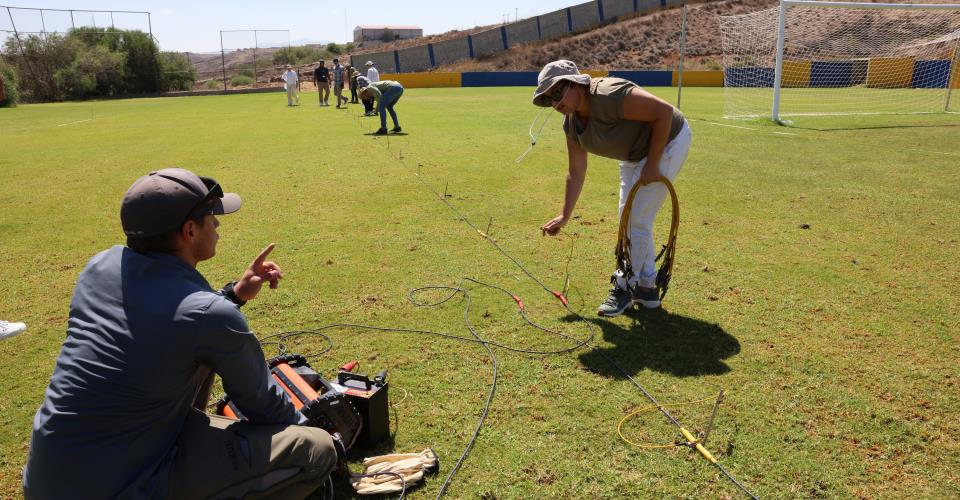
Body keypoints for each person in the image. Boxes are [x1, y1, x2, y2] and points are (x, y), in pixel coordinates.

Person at [23, 168, 341, 498]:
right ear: (189, 231)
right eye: (211, 217)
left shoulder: (99, 266)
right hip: (125, 486)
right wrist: (325, 434)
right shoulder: (206, 316)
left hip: (48, 480)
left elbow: (169, 321)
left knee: (198, 356)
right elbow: (264, 405)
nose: (217, 225)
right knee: (314, 450)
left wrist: (234, 295)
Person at [532, 60, 691, 316]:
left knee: (637, 220)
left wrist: (653, 164)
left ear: (575, 84)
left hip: (669, 141)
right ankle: (647, 289)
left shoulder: (608, 94)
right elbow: (576, 171)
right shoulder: (571, 124)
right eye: (549, 98)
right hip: (633, 155)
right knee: (627, 220)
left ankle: (626, 287)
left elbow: (663, 112)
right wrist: (565, 215)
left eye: (557, 92)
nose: (555, 102)